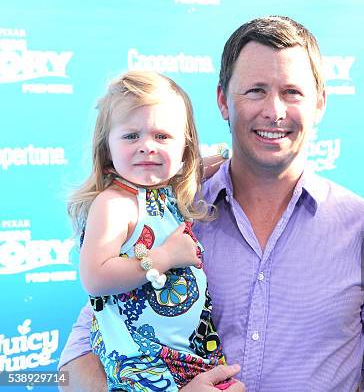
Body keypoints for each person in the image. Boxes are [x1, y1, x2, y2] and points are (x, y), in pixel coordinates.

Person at [59, 16, 364, 391]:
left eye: (292, 92)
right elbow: (77, 362)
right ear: (223, 100)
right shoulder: (165, 213)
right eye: (255, 90)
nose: (274, 110)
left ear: (320, 103)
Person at [65, 70, 240, 391]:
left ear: (185, 148)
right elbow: (95, 277)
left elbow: (191, 167)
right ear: (107, 146)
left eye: (162, 136)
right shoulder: (115, 203)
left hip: (183, 353)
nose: (147, 147)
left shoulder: (163, 191)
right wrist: (162, 257)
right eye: (131, 136)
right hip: (138, 360)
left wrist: (230, 157)